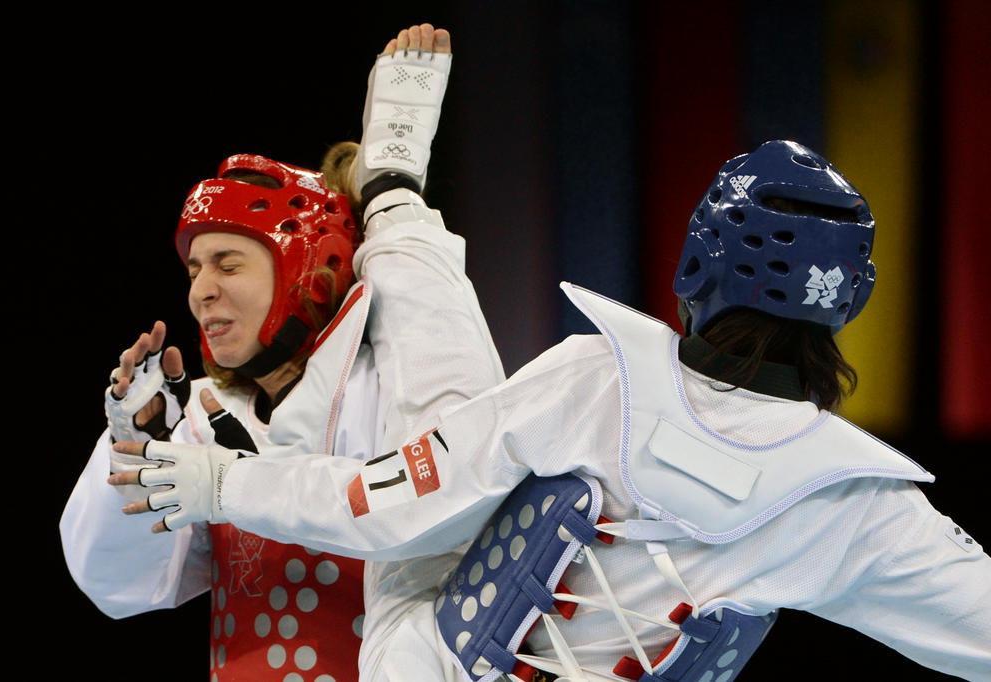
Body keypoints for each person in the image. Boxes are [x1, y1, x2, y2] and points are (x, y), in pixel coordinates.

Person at [111, 140, 991, 681]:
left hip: (420, 667)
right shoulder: (856, 504)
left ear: (695, 272)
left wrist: (219, 482)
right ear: (851, 302)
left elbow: (380, 507)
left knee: (418, 532)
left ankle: (395, 201)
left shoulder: (597, 380)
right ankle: (397, 203)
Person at [60, 24, 505, 681]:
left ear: (310, 272)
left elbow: (463, 471)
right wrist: (139, 446)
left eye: (228, 265)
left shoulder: (385, 385)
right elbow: (115, 585)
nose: (201, 294)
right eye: (194, 271)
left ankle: (394, 191)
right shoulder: (206, 417)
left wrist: (390, 193)